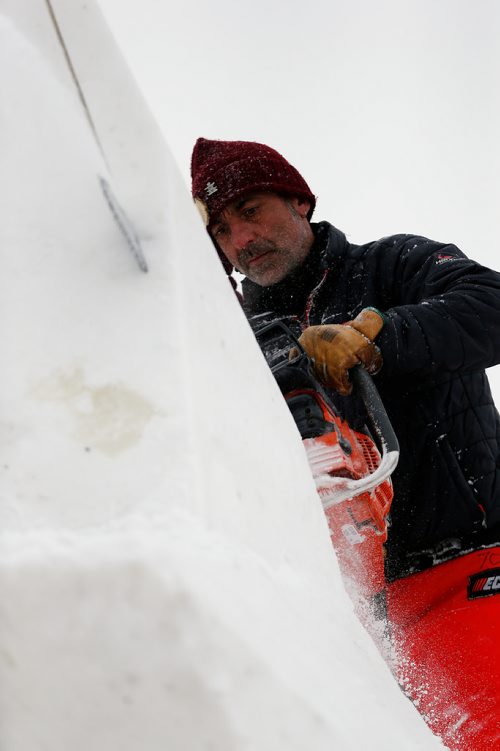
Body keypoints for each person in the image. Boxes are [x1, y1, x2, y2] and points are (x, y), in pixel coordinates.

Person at [191, 137, 500, 750]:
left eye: (251, 210)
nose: (242, 239)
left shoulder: (394, 265)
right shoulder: (228, 340)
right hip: (343, 617)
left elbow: (491, 306)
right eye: (223, 230)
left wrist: (378, 336)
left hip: (466, 564)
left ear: (299, 200)